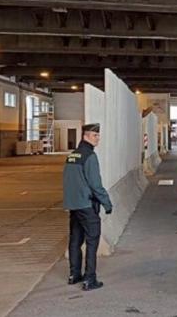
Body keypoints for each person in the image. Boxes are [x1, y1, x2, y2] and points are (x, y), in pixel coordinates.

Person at [62, 123, 112, 291]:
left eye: (98, 136)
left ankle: (74, 275)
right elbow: (95, 184)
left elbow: (68, 182)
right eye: (95, 136)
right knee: (92, 241)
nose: (98, 138)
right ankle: (90, 279)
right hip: (87, 205)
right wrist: (107, 203)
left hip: (74, 206)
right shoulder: (89, 156)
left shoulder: (71, 156)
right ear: (85, 136)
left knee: (75, 240)